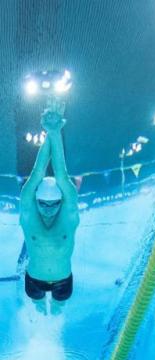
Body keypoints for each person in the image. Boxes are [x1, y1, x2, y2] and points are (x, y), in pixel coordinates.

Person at [20, 102, 79, 312]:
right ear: (35, 201)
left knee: (55, 313)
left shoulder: (69, 215)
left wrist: (54, 133)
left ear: (61, 202)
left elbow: (62, 174)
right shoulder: (28, 215)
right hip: (34, 281)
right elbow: (37, 172)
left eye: (53, 204)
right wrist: (51, 133)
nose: (47, 209)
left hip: (63, 281)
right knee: (39, 310)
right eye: (42, 203)